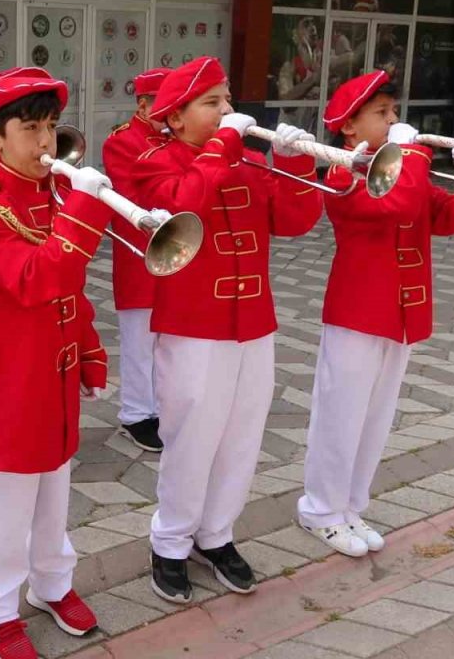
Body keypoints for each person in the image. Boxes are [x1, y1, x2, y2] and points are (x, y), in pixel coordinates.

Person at [133, 57, 321, 602]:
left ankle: (215, 534)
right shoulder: (156, 162)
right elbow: (181, 206)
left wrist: (296, 163)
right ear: (174, 117)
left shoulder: (248, 163)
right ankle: (169, 542)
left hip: (253, 323)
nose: (228, 110)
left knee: (242, 437)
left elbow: (295, 221)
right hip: (194, 328)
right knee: (191, 439)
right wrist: (223, 150)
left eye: (227, 98)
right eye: (212, 103)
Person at [297, 71, 454, 557]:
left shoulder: (403, 168)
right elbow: (395, 203)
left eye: (394, 112)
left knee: (374, 418)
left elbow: (453, 217)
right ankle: (319, 508)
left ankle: (349, 507)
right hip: (357, 311)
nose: (395, 121)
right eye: (382, 114)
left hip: (402, 311)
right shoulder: (342, 173)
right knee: (340, 416)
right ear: (349, 127)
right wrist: (415, 154)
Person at [0, 70, 114, 658]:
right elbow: (42, 277)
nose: (46, 142)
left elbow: (71, 294)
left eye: (50, 127)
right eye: (31, 129)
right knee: (4, 507)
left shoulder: (50, 197)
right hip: (8, 388)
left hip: (54, 376)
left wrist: (91, 351)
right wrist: (87, 209)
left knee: (54, 492)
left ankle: (52, 583)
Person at [99, 67, 171, 452]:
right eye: (162, 102)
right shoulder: (122, 141)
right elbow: (131, 195)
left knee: (169, 338)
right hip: (139, 253)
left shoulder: (177, 138)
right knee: (140, 339)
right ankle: (136, 413)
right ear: (143, 105)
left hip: (175, 250)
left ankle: (161, 406)